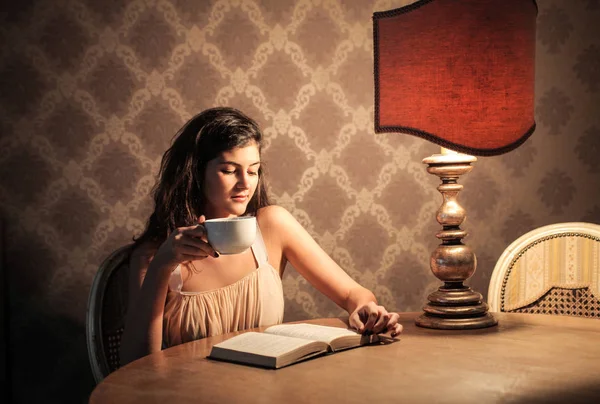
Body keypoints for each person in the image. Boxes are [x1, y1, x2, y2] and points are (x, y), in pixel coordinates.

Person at [120, 107, 403, 365]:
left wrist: (366, 310)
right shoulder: (154, 255)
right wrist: (163, 264)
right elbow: (135, 364)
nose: (245, 183)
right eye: (229, 170)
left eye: (253, 171)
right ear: (195, 172)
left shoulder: (272, 226)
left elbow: (353, 293)